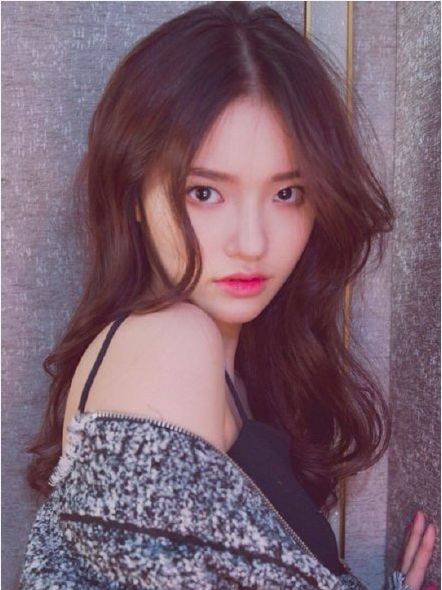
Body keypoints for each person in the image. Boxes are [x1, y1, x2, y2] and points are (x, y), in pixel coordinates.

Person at [19, 2, 436, 589]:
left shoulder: (233, 372)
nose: (252, 242)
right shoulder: (170, 344)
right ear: (134, 194)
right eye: (205, 192)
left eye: (287, 193)